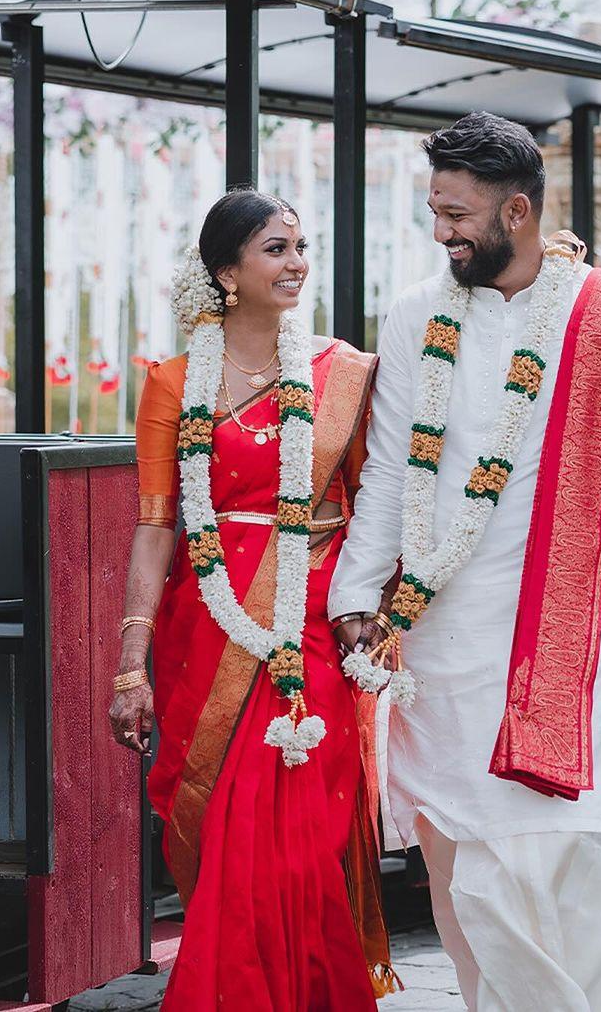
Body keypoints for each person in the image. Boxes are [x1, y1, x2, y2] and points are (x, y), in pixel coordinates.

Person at [329, 112, 601, 1012]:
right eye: (434, 211)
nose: (442, 231)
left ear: (519, 213)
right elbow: (388, 468)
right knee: (459, 871)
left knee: (562, 858)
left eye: (458, 214)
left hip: (562, 648)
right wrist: (354, 596)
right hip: (440, 641)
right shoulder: (419, 313)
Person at [109, 188, 397, 1012]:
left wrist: (369, 613)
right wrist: (131, 662)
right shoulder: (171, 383)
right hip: (208, 623)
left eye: (300, 247)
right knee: (223, 838)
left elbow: (372, 504)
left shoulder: (343, 373)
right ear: (227, 272)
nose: (297, 263)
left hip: (309, 624)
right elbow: (157, 524)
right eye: (275, 248)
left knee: (304, 841)